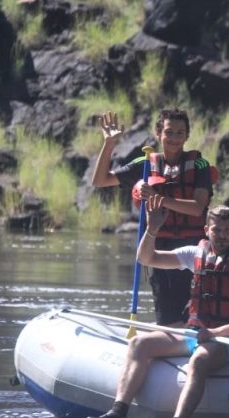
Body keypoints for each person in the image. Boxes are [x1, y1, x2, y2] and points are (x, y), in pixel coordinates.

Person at [85, 204, 229, 418]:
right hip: (197, 332)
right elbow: (146, 258)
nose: (222, 236)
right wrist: (152, 229)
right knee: (139, 344)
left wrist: (215, 333)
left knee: (200, 359)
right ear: (206, 230)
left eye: (227, 230)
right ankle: (118, 412)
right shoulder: (195, 254)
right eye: (216, 230)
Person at [91, 108, 214, 325]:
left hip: (194, 248)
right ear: (158, 133)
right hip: (159, 248)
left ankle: (198, 346)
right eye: (169, 132)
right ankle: (169, 343)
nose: (174, 138)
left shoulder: (199, 165)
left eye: (180, 133)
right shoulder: (146, 164)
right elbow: (100, 180)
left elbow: (197, 208)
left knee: (195, 314)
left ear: (187, 136)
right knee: (167, 316)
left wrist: (159, 198)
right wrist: (109, 144)